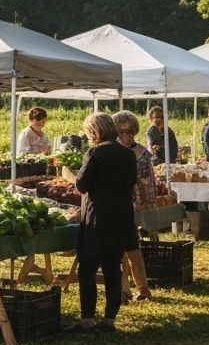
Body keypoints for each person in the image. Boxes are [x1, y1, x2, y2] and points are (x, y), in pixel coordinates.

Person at [64, 113, 137, 333]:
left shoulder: (95, 153)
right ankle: (109, 319)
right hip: (121, 216)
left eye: (88, 134)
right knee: (113, 269)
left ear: (95, 133)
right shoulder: (127, 154)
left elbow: (82, 185)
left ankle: (87, 319)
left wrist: (71, 175)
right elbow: (131, 182)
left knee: (87, 269)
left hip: (98, 218)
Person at [113, 110, 156, 301]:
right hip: (126, 207)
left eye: (129, 133)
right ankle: (137, 289)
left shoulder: (138, 155)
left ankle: (129, 290)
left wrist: (143, 210)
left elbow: (145, 186)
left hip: (126, 208)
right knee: (130, 249)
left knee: (126, 249)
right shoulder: (137, 153)